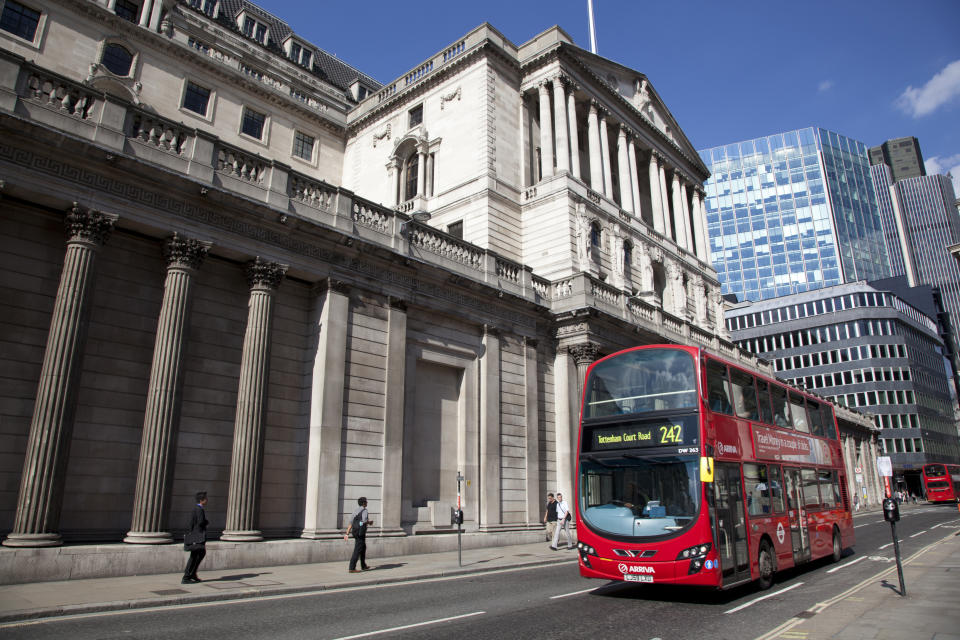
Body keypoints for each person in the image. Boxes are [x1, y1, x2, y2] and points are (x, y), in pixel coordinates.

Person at [182, 491, 208, 584]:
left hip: (195, 535)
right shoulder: (199, 509)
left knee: (198, 555)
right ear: (202, 500)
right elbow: (201, 522)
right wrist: (206, 522)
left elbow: (191, 524)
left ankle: (192, 574)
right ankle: (187, 577)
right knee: (195, 556)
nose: (207, 500)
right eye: (205, 498)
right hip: (198, 536)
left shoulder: (195, 509)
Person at [344, 496, 373, 573]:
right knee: (357, 549)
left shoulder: (355, 511)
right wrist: (369, 522)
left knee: (363, 547)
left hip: (355, 532)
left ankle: (363, 565)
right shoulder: (364, 511)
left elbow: (351, 523)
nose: (367, 503)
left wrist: (347, 533)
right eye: (366, 502)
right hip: (361, 532)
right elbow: (364, 521)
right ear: (363, 503)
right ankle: (352, 567)